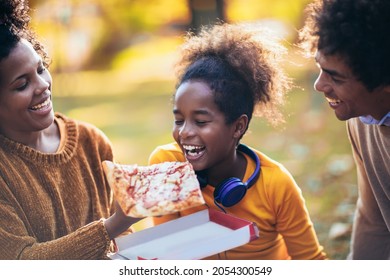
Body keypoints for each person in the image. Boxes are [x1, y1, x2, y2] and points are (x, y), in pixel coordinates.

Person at [147, 22, 327, 260]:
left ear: (238, 126)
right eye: (179, 120)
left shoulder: (276, 184)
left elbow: (311, 261)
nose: (185, 133)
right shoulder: (166, 164)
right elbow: (167, 255)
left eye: (201, 122)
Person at [0, 0, 139, 259]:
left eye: (41, 69)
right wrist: (113, 225)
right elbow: (20, 262)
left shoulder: (93, 142)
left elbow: (122, 243)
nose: (42, 85)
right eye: (22, 85)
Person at [299, 0, 390, 259]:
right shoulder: (362, 120)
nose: (319, 85)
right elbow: (375, 220)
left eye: (335, 77)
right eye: (320, 69)